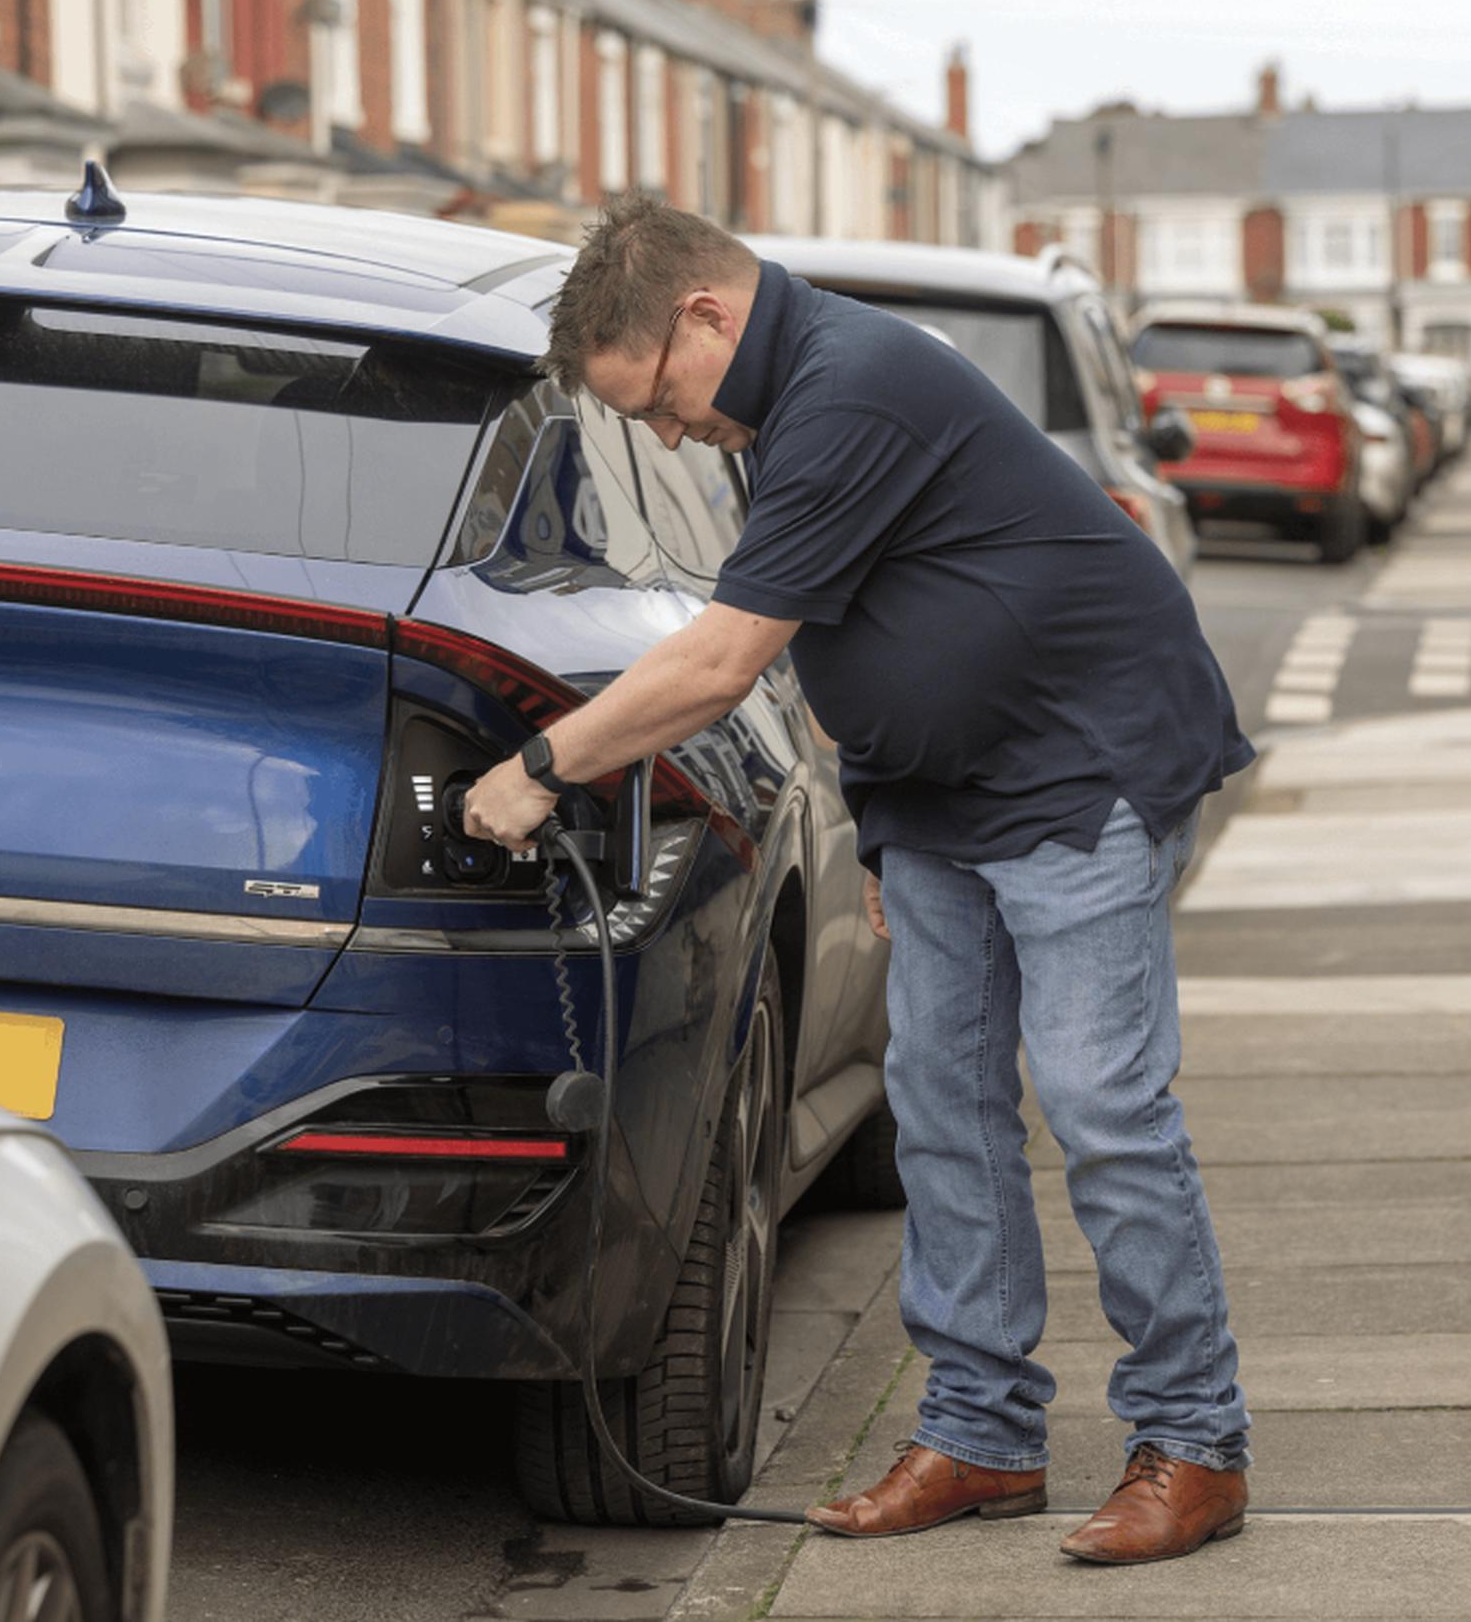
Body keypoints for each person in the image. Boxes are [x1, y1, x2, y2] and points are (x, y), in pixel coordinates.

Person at [464, 196, 1255, 1566]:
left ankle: (1192, 1440)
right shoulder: (782, 407)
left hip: (1080, 774)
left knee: (1097, 1102)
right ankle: (982, 1430)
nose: (663, 431)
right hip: (945, 802)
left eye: (656, 395)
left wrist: (541, 762)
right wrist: (886, 827)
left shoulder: (851, 384)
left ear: (706, 315)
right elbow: (880, 631)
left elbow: (721, 660)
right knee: (938, 1105)